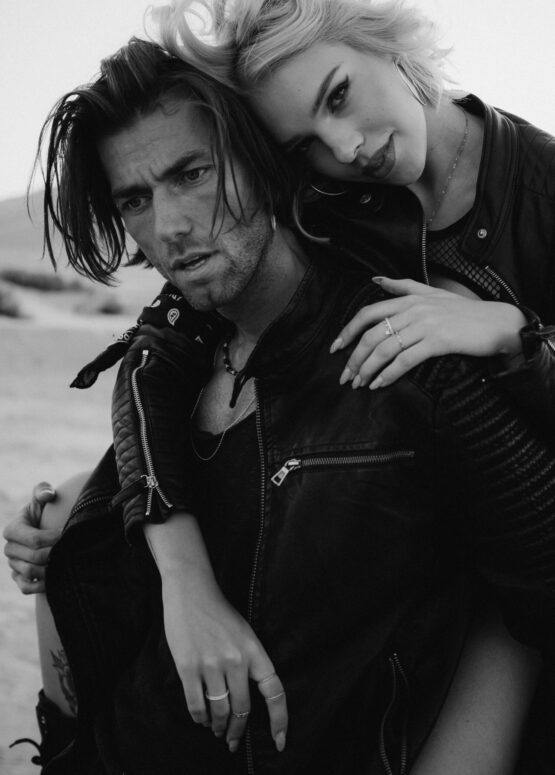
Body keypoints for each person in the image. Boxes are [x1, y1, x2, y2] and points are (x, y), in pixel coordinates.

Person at [6, 37, 555, 775]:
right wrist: (94, 523)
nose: (169, 227)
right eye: (134, 199)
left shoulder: (409, 356)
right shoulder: (164, 368)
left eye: (192, 173)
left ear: (264, 162)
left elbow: (533, 593)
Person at [157, 0, 555, 427]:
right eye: (306, 144)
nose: (346, 150)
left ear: (382, 42)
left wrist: (513, 333)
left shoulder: (543, 185)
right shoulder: (315, 206)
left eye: (338, 96)